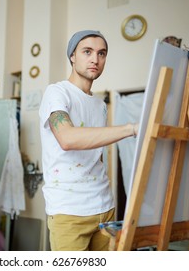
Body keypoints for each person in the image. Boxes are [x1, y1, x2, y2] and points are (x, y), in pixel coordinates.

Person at [39, 30, 139, 251]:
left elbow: (97, 155)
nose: (95, 59)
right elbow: (66, 138)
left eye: (102, 53)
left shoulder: (100, 105)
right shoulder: (57, 92)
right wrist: (131, 128)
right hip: (69, 210)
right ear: (72, 56)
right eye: (87, 52)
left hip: (105, 206)